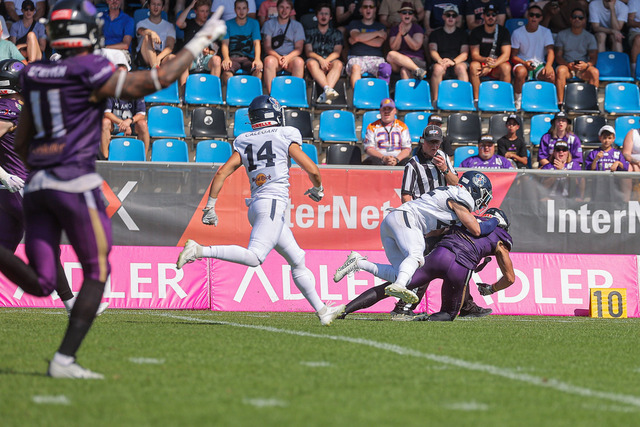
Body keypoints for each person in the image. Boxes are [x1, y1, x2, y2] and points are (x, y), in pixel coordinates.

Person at [0, 0, 227, 379]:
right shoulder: (90, 69)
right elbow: (157, 79)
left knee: (41, 282)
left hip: (37, 185)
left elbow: (22, 141)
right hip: (74, 182)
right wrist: (199, 40)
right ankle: (64, 360)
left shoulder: (35, 74)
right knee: (97, 270)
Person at [176, 95, 346, 326]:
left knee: (298, 259)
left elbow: (222, 173)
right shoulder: (284, 134)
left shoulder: (245, 139)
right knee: (255, 257)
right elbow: (312, 169)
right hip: (272, 204)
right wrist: (318, 188)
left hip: (257, 207)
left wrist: (210, 207)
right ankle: (199, 250)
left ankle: (323, 311)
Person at [334, 170, 498, 305]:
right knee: (416, 256)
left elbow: (435, 230)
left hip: (394, 221)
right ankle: (399, 286)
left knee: (404, 273)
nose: (483, 201)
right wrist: (495, 220)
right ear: (474, 189)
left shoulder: (451, 193)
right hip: (406, 218)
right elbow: (476, 230)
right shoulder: (462, 196)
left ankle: (359, 262)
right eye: (483, 194)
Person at [337, 208, 514, 321]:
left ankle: (344, 310)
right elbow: (510, 278)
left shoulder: (469, 217)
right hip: (460, 267)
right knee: (448, 313)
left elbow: (436, 231)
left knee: (392, 285)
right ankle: (424, 320)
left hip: (440, 255)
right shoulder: (501, 237)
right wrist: (491, 289)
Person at [392, 125, 490, 319]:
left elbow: (457, 184)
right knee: (424, 267)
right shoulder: (413, 164)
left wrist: (444, 169)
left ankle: (466, 305)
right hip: (426, 223)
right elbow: (406, 196)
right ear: (423, 141)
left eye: (437, 142)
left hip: (447, 221)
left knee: (458, 263)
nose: (434, 146)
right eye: (431, 142)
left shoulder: (443, 158)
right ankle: (403, 306)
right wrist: (414, 222)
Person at [510, 4, 556, 110]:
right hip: (522, 62)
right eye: (531, 15)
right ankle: (518, 102)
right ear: (527, 16)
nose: (534, 17)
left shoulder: (546, 32)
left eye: (537, 15)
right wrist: (524, 63)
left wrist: (549, 66)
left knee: (550, 75)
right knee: (521, 72)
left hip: (539, 64)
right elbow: (513, 56)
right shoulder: (517, 32)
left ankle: (546, 103)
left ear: (541, 18)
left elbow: (551, 51)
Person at [554, 8, 599, 106]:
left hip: (583, 68)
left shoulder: (590, 37)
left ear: (584, 20)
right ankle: (561, 104)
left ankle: (591, 104)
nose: (577, 19)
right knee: (561, 71)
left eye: (580, 17)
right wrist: (567, 64)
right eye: (574, 17)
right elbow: (558, 56)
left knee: (594, 72)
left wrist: (586, 65)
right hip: (567, 66)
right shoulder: (562, 34)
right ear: (570, 19)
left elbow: (594, 57)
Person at [468, 4, 512, 103]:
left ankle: (504, 100)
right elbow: (475, 55)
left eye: (493, 15)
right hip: (482, 63)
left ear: (497, 17)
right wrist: (485, 60)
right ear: (483, 16)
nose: (491, 17)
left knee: (506, 67)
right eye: (488, 15)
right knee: (473, 66)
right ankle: (477, 100)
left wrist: (491, 66)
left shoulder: (504, 31)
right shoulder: (476, 32)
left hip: (497, 64)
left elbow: (506, 55)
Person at [261, 0, 306, 94]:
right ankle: (272, 96)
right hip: (275, 57)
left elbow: (299, 48)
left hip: (291, 57)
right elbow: (267, 47)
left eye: (287, 8)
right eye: (281, 7)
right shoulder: (268, 24)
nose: (284, 10)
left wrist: (287, 58)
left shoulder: (297, 25)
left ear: (291, 10)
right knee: (269, 61)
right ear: (277, 8)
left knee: (299, 62)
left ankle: (293, 96)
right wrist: (279, 57)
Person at [428, 5, 469, 105]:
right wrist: (440, 60)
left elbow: (465, 54)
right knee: (438, 69)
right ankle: (436, 102)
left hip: (457, 62)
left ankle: (464, 101)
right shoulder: (435, 33)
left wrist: (453, 62)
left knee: (461, 68)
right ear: (443, 17)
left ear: (457, 18)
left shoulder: (463, 34)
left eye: (453, 15)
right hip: (441, 62)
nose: (451, 18)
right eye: (448, 15)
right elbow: (432, 50)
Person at [345, 0, 391, 88]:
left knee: (386, 68)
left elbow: (378, 43)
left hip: (376, 58)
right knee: (355, 67)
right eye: (365, 7)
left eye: (371, 7)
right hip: (357, 57)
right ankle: (358, 95)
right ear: (360, 10)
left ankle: (381, 94)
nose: (368, 9)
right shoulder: (354, 23)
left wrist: (359, 39)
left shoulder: (380, 26)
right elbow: (356, 36)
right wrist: (377, 33)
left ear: (375, 9)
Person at [304, 4, 344, 104]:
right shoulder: (309, 32)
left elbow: (337, 52)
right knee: (311, 63)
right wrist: (321, 60)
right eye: (321, 13)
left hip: (330, 60)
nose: (323, 16)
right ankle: (327, 90)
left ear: (330, 17)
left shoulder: (337, 33)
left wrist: (326, 61)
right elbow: (308, 52)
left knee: (338, 64)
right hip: (315, 60)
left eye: (326, 14)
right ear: (316, 16)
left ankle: (325, 94)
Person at [101, 79, 150, 159]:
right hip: (115, 124)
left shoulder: (137, 92)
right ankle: (105, 158)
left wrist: (129, 121)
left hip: (132, 124)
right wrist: (123, 124)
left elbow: (141, 114)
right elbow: (107, 113)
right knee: (105, 122)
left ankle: (143, 158)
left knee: (143, 124)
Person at [178, 0, 222, 84]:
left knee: (217, 60)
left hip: (206, 58)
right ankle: (184, 90)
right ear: (196, 12)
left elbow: (216, 49)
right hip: (191, 57)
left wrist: (209, 52)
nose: (205, 14)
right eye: (202, 11)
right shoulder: (190, 23)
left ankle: (213, 90)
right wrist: (190, 6)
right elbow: (179, 23)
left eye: (207, 11)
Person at [220, 0, 262, 84]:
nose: (241, 11)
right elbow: (225, 44)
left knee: (258, 71)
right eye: (238, 8)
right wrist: (226, 58)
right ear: (235, 10)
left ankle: (253, 92)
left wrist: (257, 59)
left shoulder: (254, 23)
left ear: (248, 10)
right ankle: (233, 92)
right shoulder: (227, 24)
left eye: (244, 8)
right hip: (233, 58)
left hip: (249, 58)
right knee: (227, 73)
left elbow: (257, 43)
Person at [363, 98, 412, 166]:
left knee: (408, 162)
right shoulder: (372, 126)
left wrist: (397, 159)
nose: (387, 112)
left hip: (397, 159)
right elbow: (369, 148)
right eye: (384, 109)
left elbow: (406, 149)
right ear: (380, 111)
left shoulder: (402, 126)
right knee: (372, 161)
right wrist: (383, 158)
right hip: (379, 159)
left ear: (394, 111)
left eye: (389, 109)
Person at [385, 2, 427, 81]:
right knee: (390, 54)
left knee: (404, 71)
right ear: (400, 14)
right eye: (404, 12)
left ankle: (416, 70)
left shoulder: (417, 28)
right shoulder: (394, 29)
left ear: (413, 15)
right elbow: (394, 48)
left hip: (416, 60)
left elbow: (415, 47)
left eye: (410, 13)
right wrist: (399, 33)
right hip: (399, 61)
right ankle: (418, 70)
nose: (407, 15)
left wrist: (405, 34)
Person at [136, 0, 177, 68]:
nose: (156, 7)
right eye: (153, 4)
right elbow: (141, 31)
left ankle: (155, 67)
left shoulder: (169, 26)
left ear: (162, 8)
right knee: (147, 36)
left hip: (161, 56)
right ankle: (155, 69)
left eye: (158, 5)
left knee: (172, 57)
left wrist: (158, 58)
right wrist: (151, 33)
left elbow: (170, 46)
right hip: (144, 56)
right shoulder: (141, 23)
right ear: (148, 6)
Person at [98, 0, 135, 70]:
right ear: (107, 1)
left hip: (121, 51)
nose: (114, 1)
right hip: (102, 51)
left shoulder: (128, 20)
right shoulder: (100, 17)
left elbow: (125, 45)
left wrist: (106, 47)